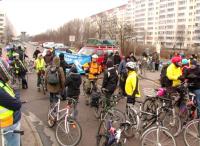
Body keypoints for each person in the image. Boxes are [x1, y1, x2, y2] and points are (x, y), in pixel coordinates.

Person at [0, 58, 22, 146]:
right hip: (9, 123)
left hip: (9, 122)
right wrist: (16, 91)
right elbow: (17, 104)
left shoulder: (2, 83)